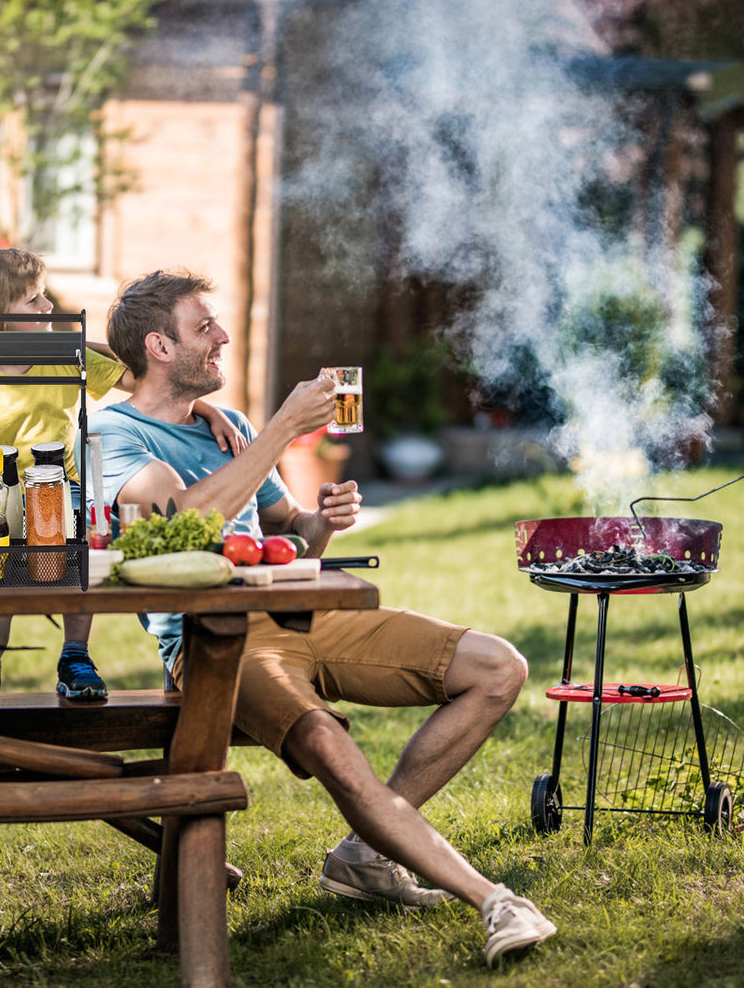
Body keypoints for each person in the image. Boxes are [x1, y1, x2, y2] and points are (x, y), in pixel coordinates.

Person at [83, 269, 556, 968]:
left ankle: (368, 851)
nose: (222, 337)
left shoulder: (230, 428)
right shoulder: (113, 434)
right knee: (334, 749)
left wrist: (322, 519)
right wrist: (280, 430)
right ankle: (492, 900)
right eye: (203, 326)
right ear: (158, 345)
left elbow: (287, 535)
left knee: (497, 668)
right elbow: (182, 526)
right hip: (217, 644)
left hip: (304, 613)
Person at [0, 248, 246, 719]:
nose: (48, 307)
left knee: (79, 564)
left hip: (64, 487)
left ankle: (75, 655)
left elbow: (146, 384)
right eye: (33, 300)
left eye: (44, 296)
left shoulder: (67, 356)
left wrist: (208, 408)